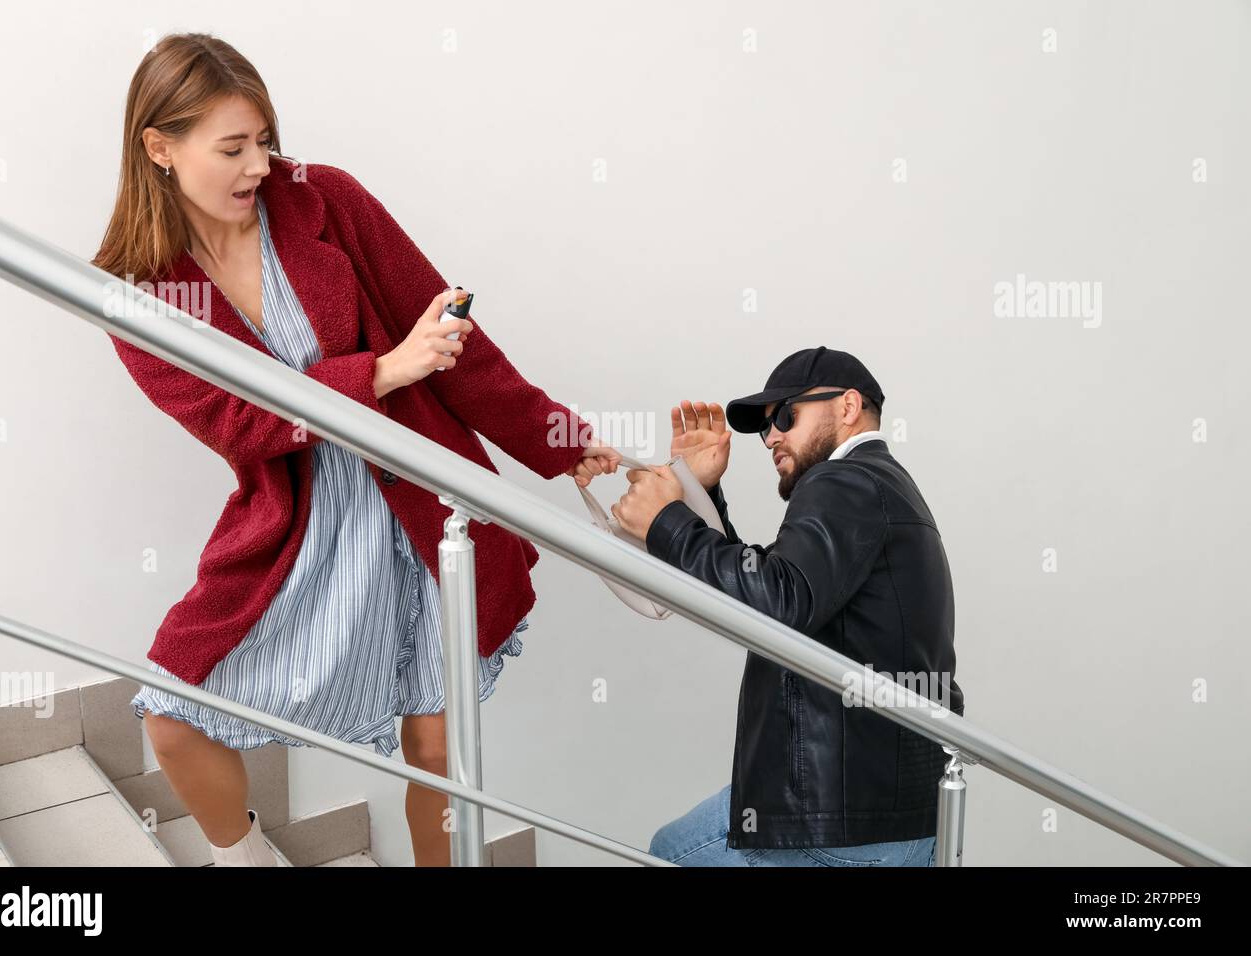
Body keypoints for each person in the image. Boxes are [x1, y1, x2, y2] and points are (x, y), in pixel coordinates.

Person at [90, 33, 620, 866]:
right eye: (232, 148)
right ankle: (249, 859)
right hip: (299, 534)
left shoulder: (322, 199)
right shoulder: (139, 294)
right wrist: (378, 371)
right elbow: (239, 424)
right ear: (159, 147)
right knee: (172, 714)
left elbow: (452, 343)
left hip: (418, 504)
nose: (260, 164)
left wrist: (561, 441)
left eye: (265, 140)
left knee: (440, 750)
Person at [609, 346, 964, 866]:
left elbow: (777, 600)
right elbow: (772, 597)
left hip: (838, 825)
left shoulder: (842, 480)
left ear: (847, 407)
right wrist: (696, 493)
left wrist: (667, 521)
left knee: (672, 854)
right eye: (765, 427)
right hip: (897, 818)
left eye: (785, 415)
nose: (772, 435)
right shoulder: (883, 485)